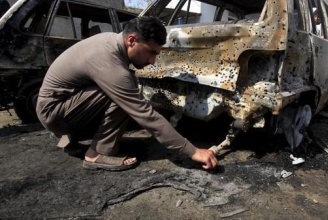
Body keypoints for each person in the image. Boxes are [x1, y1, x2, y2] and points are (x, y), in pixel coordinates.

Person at [36, 16, 218, 171]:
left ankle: (72, 139)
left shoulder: (109, 40)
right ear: (132, 40)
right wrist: (193, 151)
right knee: (124, 94)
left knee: (126, 91)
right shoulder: (109, 61)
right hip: (54, 114)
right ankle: (96, 153)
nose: (153, 61)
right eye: (150, 52)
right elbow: (145, 115)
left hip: (61, 106)